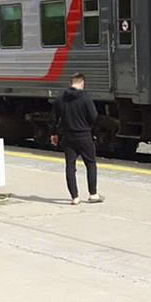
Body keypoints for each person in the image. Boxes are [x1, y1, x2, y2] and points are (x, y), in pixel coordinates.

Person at [49, 73, 103, 205]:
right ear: (82, 84)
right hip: (84, 136)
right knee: (90, 164)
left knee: (70, 167)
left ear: (70, 83)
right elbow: (94, 117)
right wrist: (91, 128)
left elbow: (53, 119)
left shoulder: (60, 98)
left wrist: (53, 133)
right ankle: (93, 194)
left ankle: (74, 197)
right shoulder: (85, 97)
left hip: (68, 137)